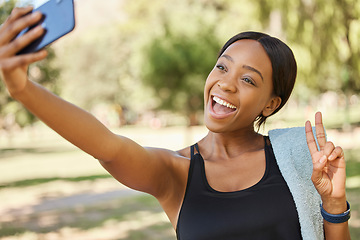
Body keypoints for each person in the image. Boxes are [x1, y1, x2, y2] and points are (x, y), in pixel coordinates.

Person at [0, 7, 351, 240]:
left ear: (271, 103)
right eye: (222, 67)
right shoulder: (176, 172)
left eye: (248, 80)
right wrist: (22, 89)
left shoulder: (297, 159)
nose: (226, 83)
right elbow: (106, 146)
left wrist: (334, 206)